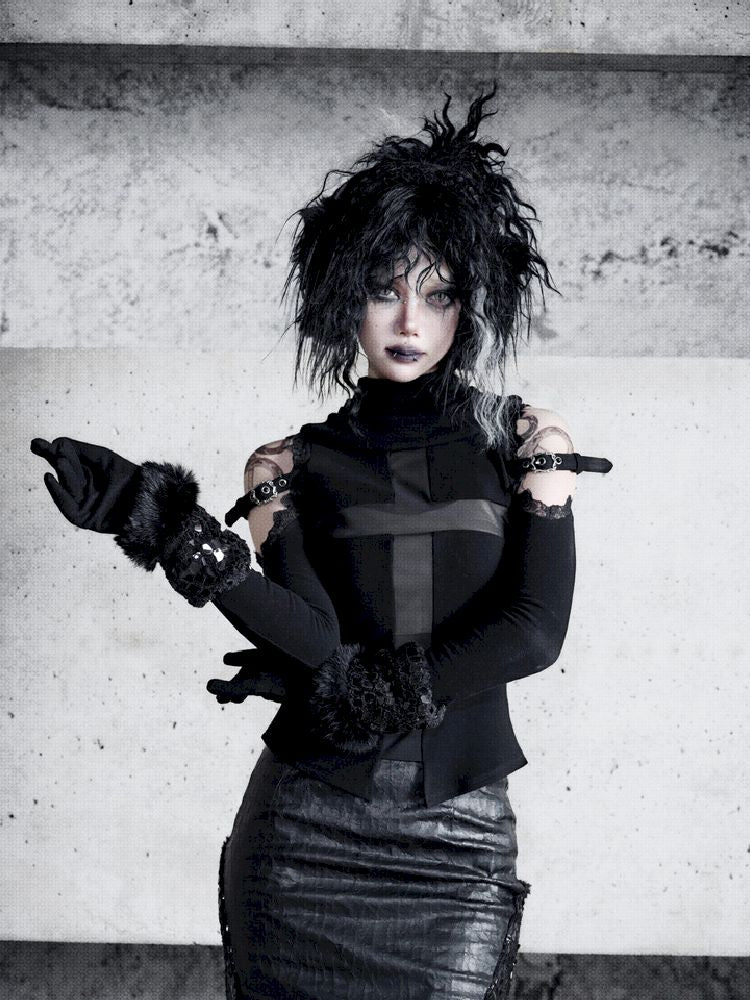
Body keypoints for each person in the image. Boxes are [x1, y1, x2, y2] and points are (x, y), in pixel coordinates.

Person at [31, 85, 612, 1000]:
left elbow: (535, 631)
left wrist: (382, 688)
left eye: (437, 295)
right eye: (384, 292)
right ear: (346, 299)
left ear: (470, 306)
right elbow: (313, 635)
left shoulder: (523, 441)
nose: (410, 322)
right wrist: (163, 521)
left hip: (457, 841)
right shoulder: (287, 465)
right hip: (303, 835)